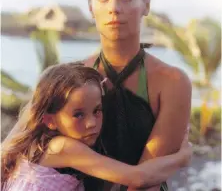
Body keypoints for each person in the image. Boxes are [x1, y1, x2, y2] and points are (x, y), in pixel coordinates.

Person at [83, 0, 192, 190]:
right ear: (91, 6)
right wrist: (181, 158)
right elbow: (19, 148)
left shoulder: (172, 82)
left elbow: (145, 181)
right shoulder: (71, 77)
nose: (114, 8)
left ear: (146, 5)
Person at [1, 62, 192, 191]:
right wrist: (181, 158)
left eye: (97, 111)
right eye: (78, 115)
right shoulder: (61, 147)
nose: (92, 123)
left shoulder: (38, 145)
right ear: (49, 120)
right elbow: (138, 178)